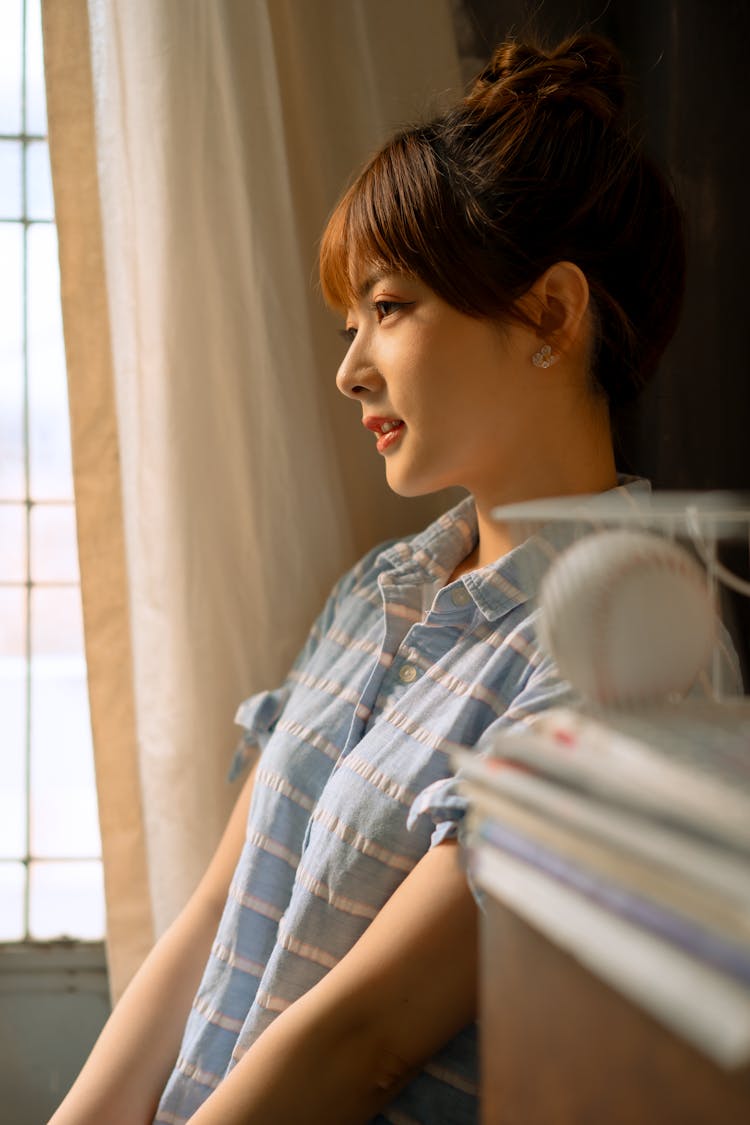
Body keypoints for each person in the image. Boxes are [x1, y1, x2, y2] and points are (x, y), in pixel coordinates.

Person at [49, 31, 686, 1125]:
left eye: (388, 310)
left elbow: (370, 1037)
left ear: (550, 313)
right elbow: (211, 916)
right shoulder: (375, 595)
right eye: (353, 322)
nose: (350, 369)